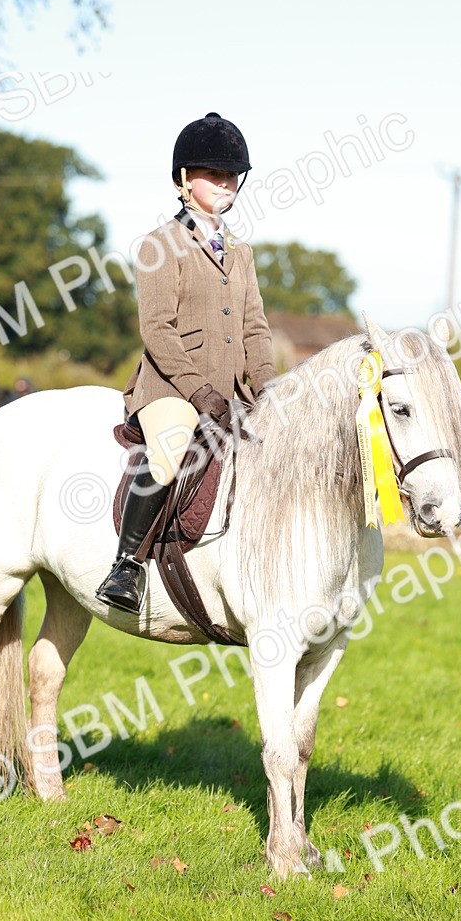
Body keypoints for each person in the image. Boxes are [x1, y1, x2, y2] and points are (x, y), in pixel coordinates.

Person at [96, 112, 277, 613]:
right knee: (171, 451)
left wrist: (267, 390)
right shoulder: (160, 245)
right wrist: (199, 393)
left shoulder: (241, 253)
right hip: (171, 391)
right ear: (183, 180)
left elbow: (256, 330)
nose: (225, 184)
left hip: (229, 393)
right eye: (213, 174)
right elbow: (157, 331)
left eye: (231, 176)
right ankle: (126, 566)